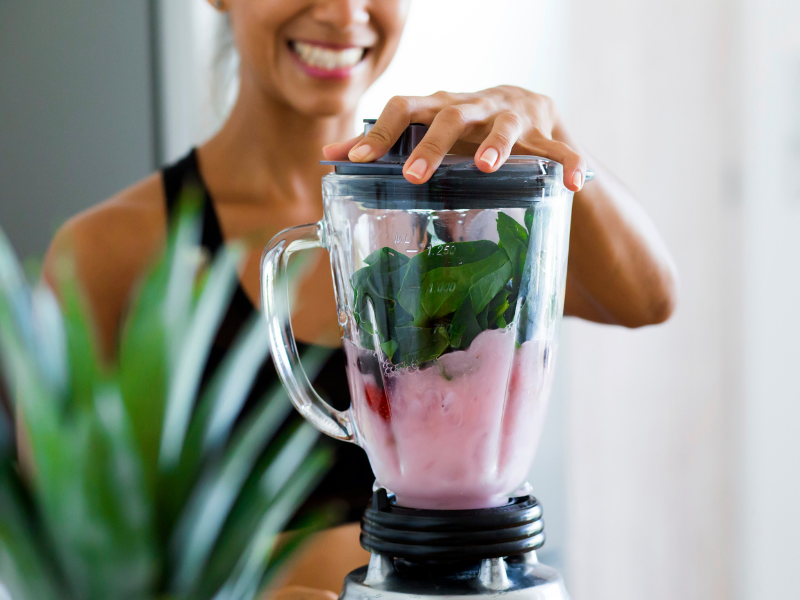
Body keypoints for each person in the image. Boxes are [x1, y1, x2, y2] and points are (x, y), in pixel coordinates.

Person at [42, 0, 678, 597]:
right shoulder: (112, 251)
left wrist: (548, 127)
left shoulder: (457, 210)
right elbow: (71, 564)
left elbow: (648, 298)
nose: (346, 13)